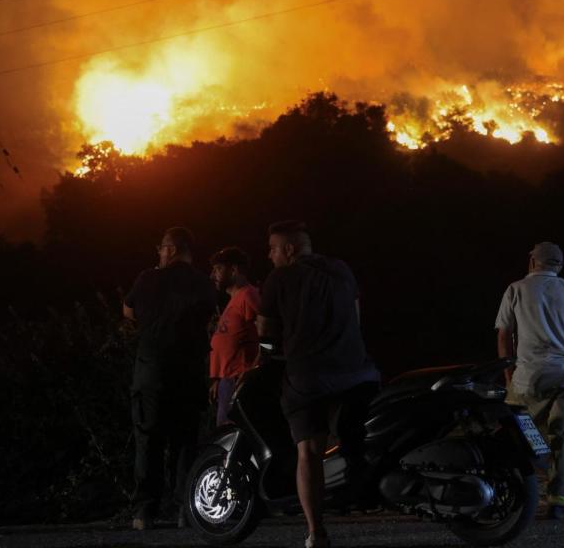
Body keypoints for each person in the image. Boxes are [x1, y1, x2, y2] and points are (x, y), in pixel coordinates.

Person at [256, 221, 380, 548]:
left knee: (308, 451)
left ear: (289, 250)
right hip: (358, 371)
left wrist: (263, 361)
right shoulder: (341, 269)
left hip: (308, 376)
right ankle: (362, 491)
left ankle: (315, 532)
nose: (269, 255)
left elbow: (266, 331)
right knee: (357, 438)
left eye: (272, 249)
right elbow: (356, 315)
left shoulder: (279, 278)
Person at [495, 242, 564, 520]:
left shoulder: (516, 289)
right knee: (563, 439)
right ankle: (559, 502)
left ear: (532, 261)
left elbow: (504, 335)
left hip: (528, 376)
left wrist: (508, 375)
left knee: (514, 436)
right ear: (559, 266)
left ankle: (512, 495)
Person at [123, 227, 216, 530]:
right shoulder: (202, 283)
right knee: (185, 441)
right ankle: (185, 510)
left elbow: (128, 311)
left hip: (150, 372)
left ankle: (144, 512)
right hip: (187, 373)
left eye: (161, 248)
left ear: (172, 249)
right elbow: (208, 316)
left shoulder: (147, 278)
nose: (159, 253)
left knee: (148, 440)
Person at [208, 247, 261, 426]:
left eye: (218, 269)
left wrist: (251, 372)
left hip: (240, 380)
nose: (212, 275)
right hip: (228, 380)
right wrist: (218, 378)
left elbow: (268, 333)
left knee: (232, 437)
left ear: (233, 270)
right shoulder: (235, 299)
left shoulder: (249, 295)